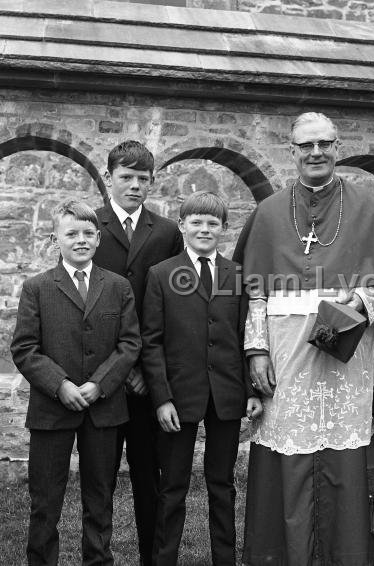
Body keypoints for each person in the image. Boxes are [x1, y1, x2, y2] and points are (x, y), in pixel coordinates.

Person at [238, 112, 374, 565]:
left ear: (338, 147)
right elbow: (255, 292)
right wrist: (256, 351)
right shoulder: (270, 211)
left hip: (347, 358)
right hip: (285, 356)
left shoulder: (369, 205)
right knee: (287, 451)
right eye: (306, 145)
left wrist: (357, 305)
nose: (316, 152)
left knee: (344, 455)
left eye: (324, 144)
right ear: (292, 151)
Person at [11, 200, 141, 566]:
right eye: (72, 234)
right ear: (56, 239)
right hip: (52, 409)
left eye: (88, 234)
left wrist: (100, 384)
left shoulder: (117, 287)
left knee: (100, 496)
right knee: (45, 498)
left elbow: (130, 343)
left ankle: (97, 560)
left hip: (104, 409)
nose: (80, 240)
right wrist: (61, 384)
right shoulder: (37, 287)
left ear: (98, 239)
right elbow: (24, 348)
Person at [142, 191, 262, 565]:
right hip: (179, 397)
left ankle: (224, 558)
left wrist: (251, 390)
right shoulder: (161, 274)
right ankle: (165, 558)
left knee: (222, 484)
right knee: (173, 485)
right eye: (196, 222)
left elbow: (247, 335)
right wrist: (161, 398)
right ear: (182, 226)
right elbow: (151, 341)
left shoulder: (238, 275)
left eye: (213, 223)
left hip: (226, 394)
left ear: (224, 229)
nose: (204, 229)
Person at [93, 140, 183, 564]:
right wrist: (113, 369)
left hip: (148, 379)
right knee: (100, 479)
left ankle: (153, 556)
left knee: (150, 479)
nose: (134, 186)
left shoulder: (166, 232)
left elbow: (172, 304)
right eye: (126, 177)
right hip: (103, 376)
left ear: (151, 183)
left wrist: (148, 369)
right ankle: (99, 554)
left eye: (142, 179)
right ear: (109, 177)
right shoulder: (89, 225)